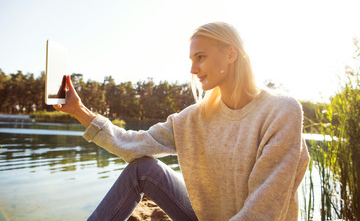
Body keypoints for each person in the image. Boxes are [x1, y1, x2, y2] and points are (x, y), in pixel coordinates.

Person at [55, 22, 310, 221]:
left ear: (231, 54)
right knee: (141, 169)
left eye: (200, 57)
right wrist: (79, 110)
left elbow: (263, 209)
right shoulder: (195, 118)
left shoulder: (281, 111)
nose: (192, 69)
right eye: (191, 60)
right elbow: (133, 144)